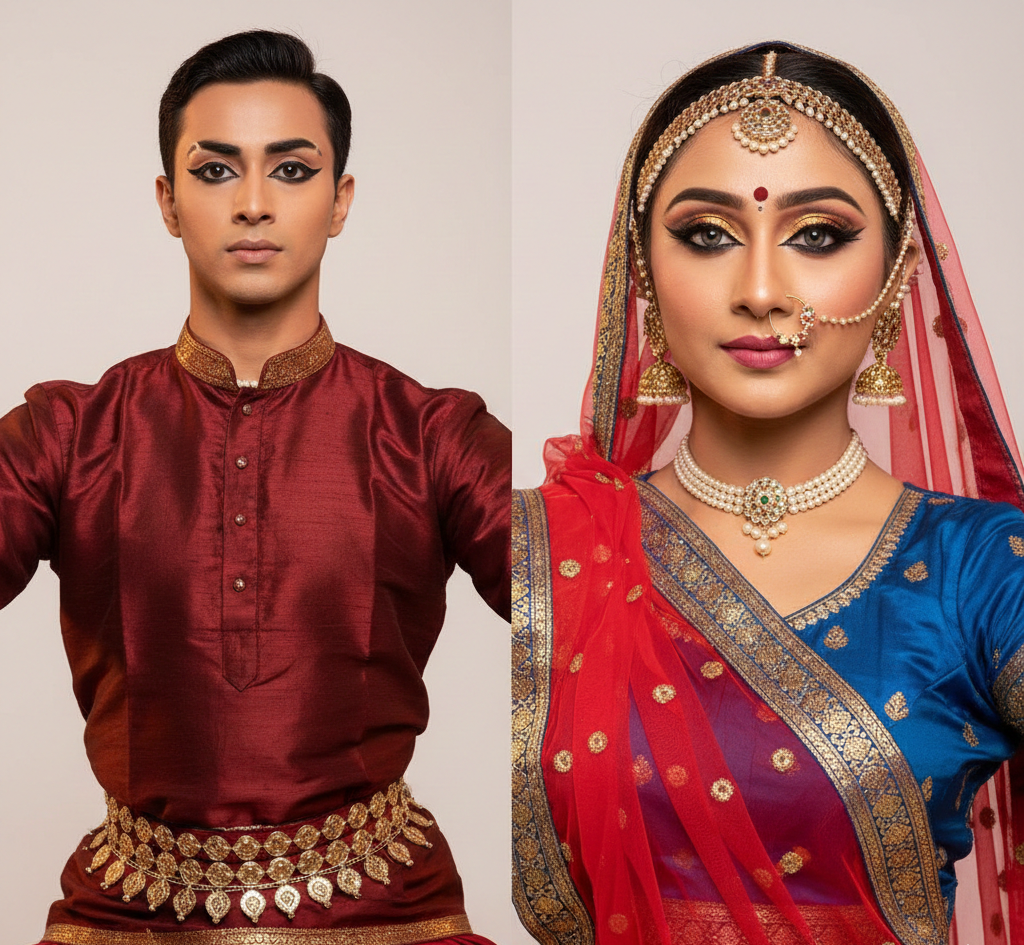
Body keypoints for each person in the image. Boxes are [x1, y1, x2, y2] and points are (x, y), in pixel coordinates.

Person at [0, 30, 509, 944]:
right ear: (167, 202)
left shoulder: (431, 433)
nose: (252, 204)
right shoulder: (70, 434)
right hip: (127, 913)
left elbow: (600, 605)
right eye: (215, 169)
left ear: (340, 200)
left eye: (292, 168)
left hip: (391, 914)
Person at [511, 40, 1024, 945]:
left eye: (818, 235)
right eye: (706, 235)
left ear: (898, 268)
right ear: (644, 268)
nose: (758, 290)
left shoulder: (984, 571)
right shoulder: (539, 551)